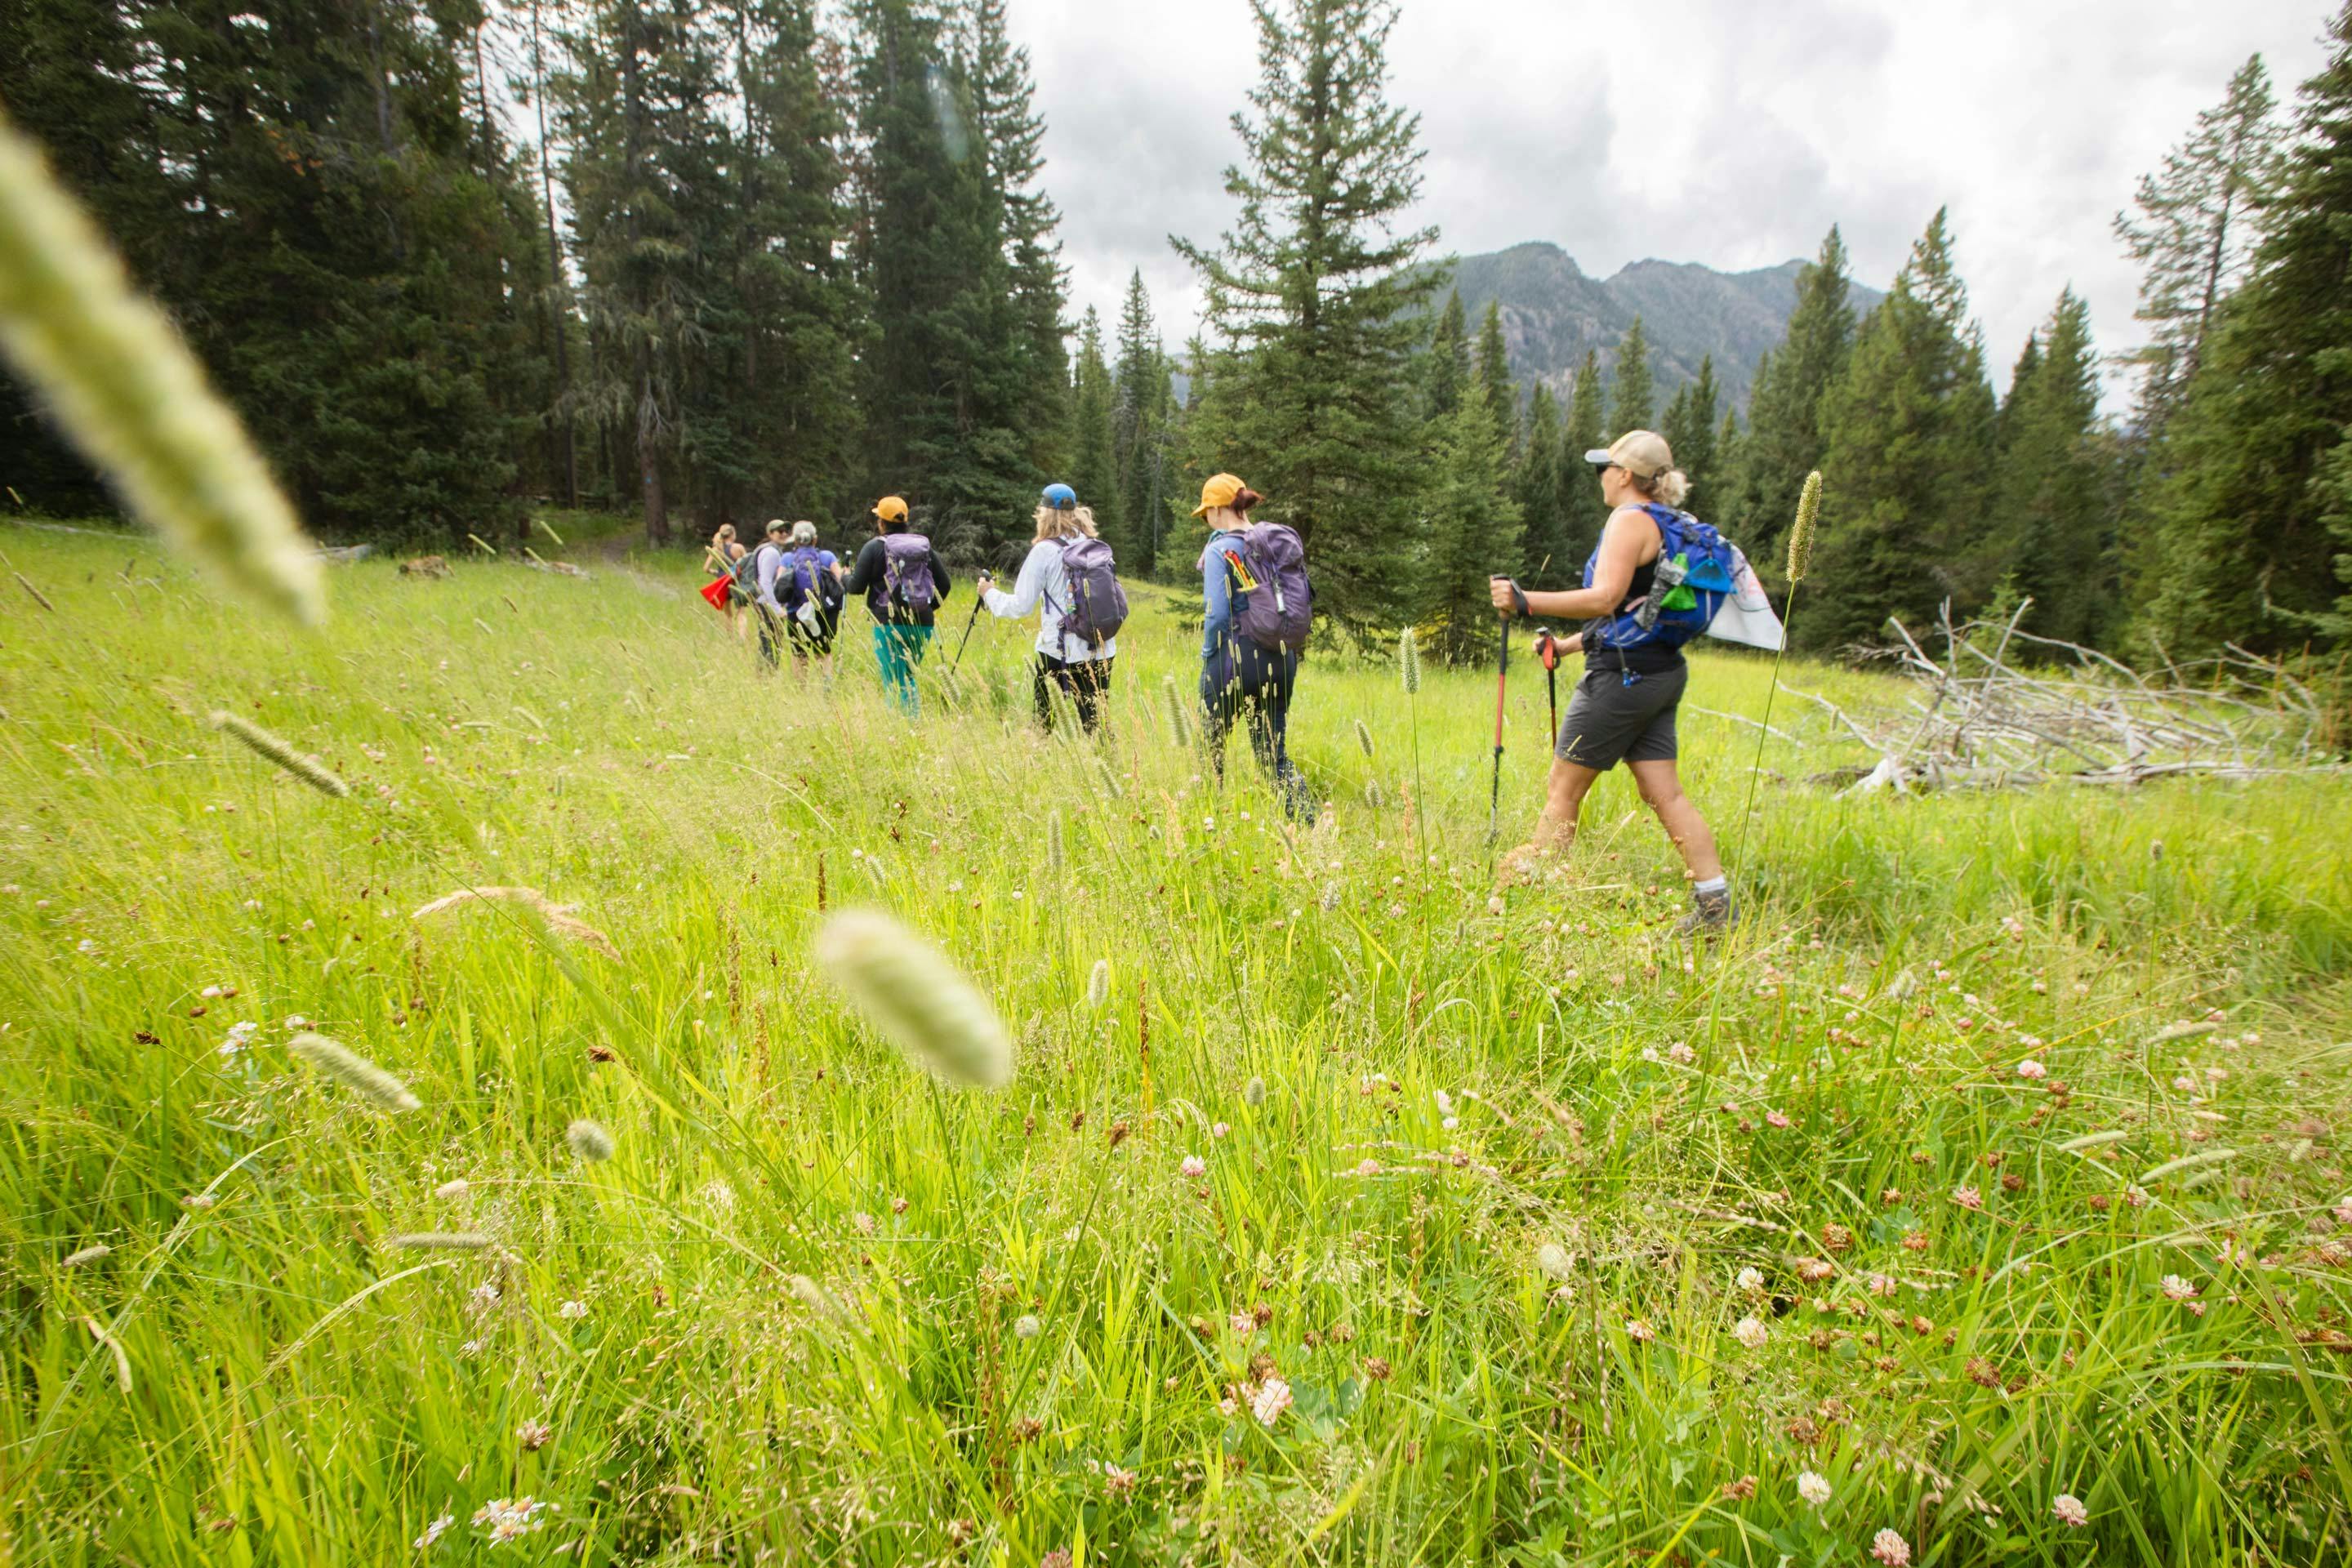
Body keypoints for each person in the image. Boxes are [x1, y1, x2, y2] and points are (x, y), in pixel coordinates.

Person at [1487, 430, 1731, 933]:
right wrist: (1571, 645)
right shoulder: (1671, 523)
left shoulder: (1629, 520)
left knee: (1563, 790)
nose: (1600, 476)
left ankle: (1536, 901)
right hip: (1661, 672)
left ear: (1624, 476)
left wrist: (1524, 599)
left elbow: (1604, 597)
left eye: (1606, 468)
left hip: (1620, 680)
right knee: (1665, 794)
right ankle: (1714, 906)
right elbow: (1633, 610)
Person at [1196, 473, 1312, 821]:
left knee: (1210, 748)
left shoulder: (1220, 550)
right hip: (1281, 657)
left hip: (1234, 658)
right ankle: (1308, 823)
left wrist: (1208, 655)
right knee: (1272, 754)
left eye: (1205, 514)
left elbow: (1216, 614)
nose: (1205, 520)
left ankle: (1208, 823)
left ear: (1218, 509)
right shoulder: (1271, 543)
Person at [975, 483, 1117, 733]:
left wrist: (990, 594)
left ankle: (1042, 766)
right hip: (1102, 647)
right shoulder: (1097, 546)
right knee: (1097, 728)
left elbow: (1021, 606)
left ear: (1045, 514)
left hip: (1060, 650)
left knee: (1044, 724)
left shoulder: (1044, 551)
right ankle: (1109, 768)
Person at [840, 495, 951, 715]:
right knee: (908, 675)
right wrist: (923, 608)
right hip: (923, 623)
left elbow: (855, 587)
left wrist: (843, 576)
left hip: (888, 623)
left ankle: (905, 728)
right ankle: (910, 725)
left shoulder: (873, 547)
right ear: (905, 520)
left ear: (881, 522)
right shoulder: (923, 547)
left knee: (895, 680)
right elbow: (945, 585)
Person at [776, 520, 845, 678]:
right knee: (824, 652)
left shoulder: (787, 558)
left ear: (795, 541)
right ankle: (826, 688)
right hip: (824, 612)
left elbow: (779, 583)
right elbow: (840, 580)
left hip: (795, 612)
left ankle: (801, 691)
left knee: (799, 653)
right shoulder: (827, 557)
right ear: (815, 539)